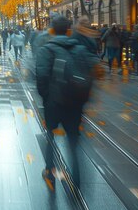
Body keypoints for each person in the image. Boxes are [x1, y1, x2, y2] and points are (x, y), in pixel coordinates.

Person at [36, 15, 98, 189]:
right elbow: (91, 74)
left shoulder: (46, 49)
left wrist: (46, 97)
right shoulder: (80, 49)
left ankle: (50, 172)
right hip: (75, 103)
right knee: (73, 140)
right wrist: (82, 99)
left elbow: (41, 76)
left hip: (54, 103)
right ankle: (77, 178)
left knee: (50, 136)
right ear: (69, 30)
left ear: (53, 30)